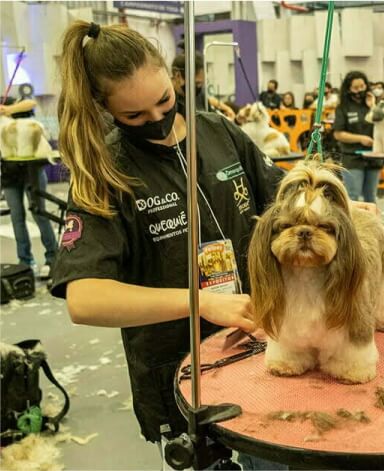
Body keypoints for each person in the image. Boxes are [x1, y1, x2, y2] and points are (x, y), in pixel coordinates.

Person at [52, 21, 287, 469]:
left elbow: (282, 199)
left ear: (174, 77)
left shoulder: (219, 131)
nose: (158, 120)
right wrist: (199, 302)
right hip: (180, 375)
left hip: (260, 349)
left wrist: (341, 205)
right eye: (135, 117)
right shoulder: (107, 172)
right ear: (104, 108)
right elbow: (84, 299)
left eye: (164, 101)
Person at [0, 94, 58, 279]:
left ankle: (52, 258)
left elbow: (30, 102)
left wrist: (8, 110)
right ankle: (25, 261)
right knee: (17, 217)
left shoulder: (7, 102)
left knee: (39, 213)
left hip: (31, 170)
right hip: (9, 174)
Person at [333, 70, 381, 203]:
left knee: (371, 197)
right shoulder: (343, 107)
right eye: (356, 87)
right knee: (352, 197)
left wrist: (373, 106)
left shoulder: (373, 104)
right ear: (348, 89)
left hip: (374, 157)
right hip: (352, 157)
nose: (360, 90)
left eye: (362, 86)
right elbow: (338, 134)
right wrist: (360, 138)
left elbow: (382, 123)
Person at [171, 53, 235, 119]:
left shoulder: (199, 96)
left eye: (201, 83)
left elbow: (213, 118)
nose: (199, 87)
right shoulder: (171, 104)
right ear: (178, 76)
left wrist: (234, 120)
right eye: (197, 83)